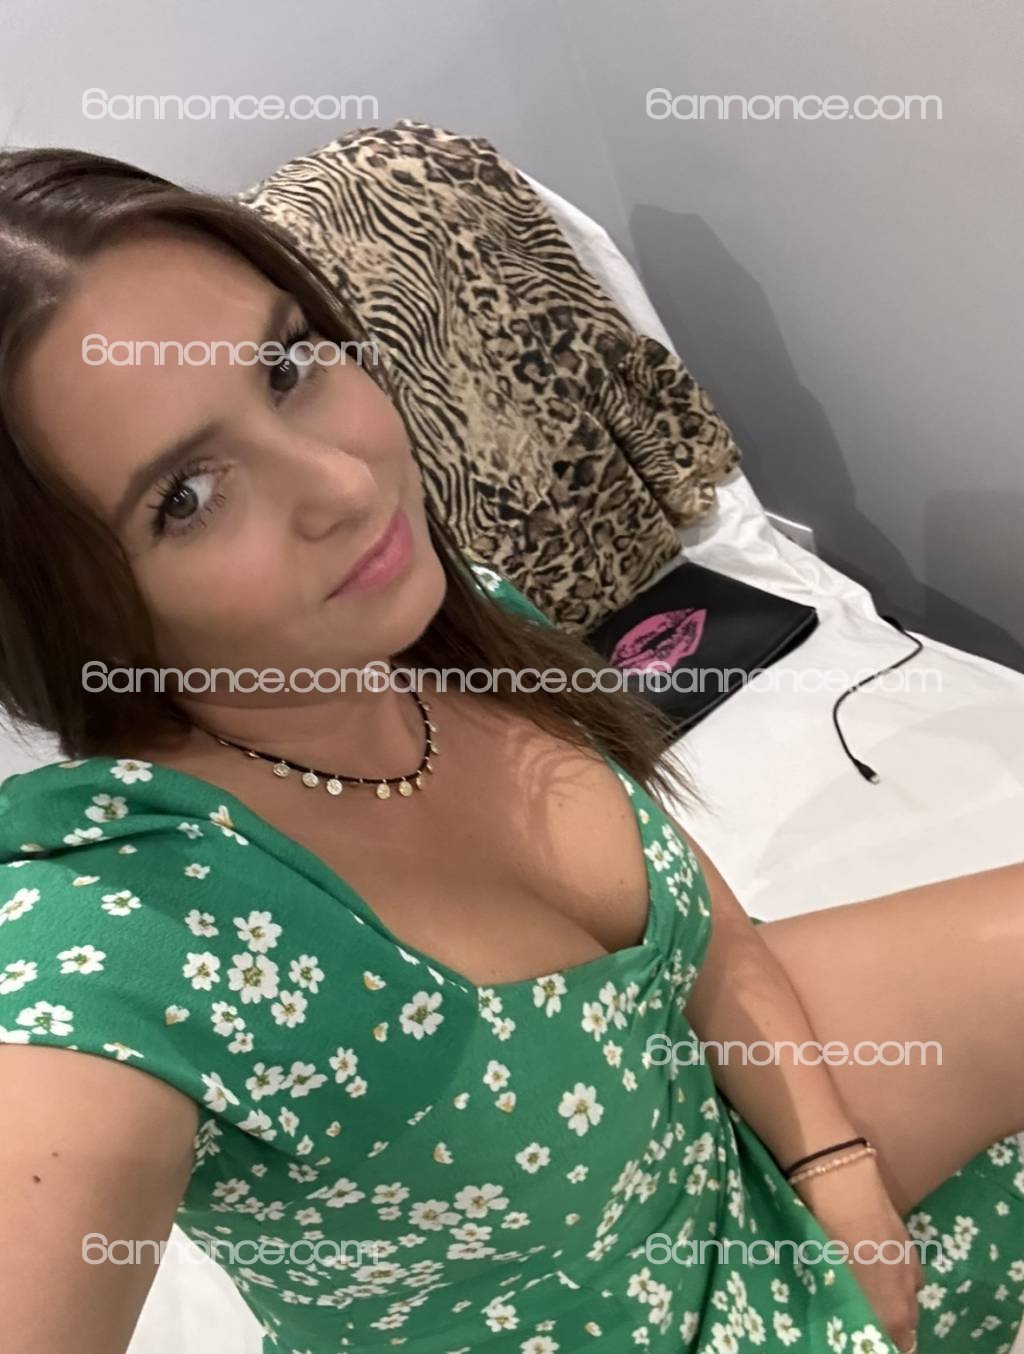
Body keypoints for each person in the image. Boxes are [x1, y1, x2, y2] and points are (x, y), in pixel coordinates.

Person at [0, 146, 1021, 1354]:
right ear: (62, 612)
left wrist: (836, 1176)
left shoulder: (439, 633)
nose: (343, 482)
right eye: (186, 496)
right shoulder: (123, 934)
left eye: (287, 366)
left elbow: (701, 924)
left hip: (707, 1139)